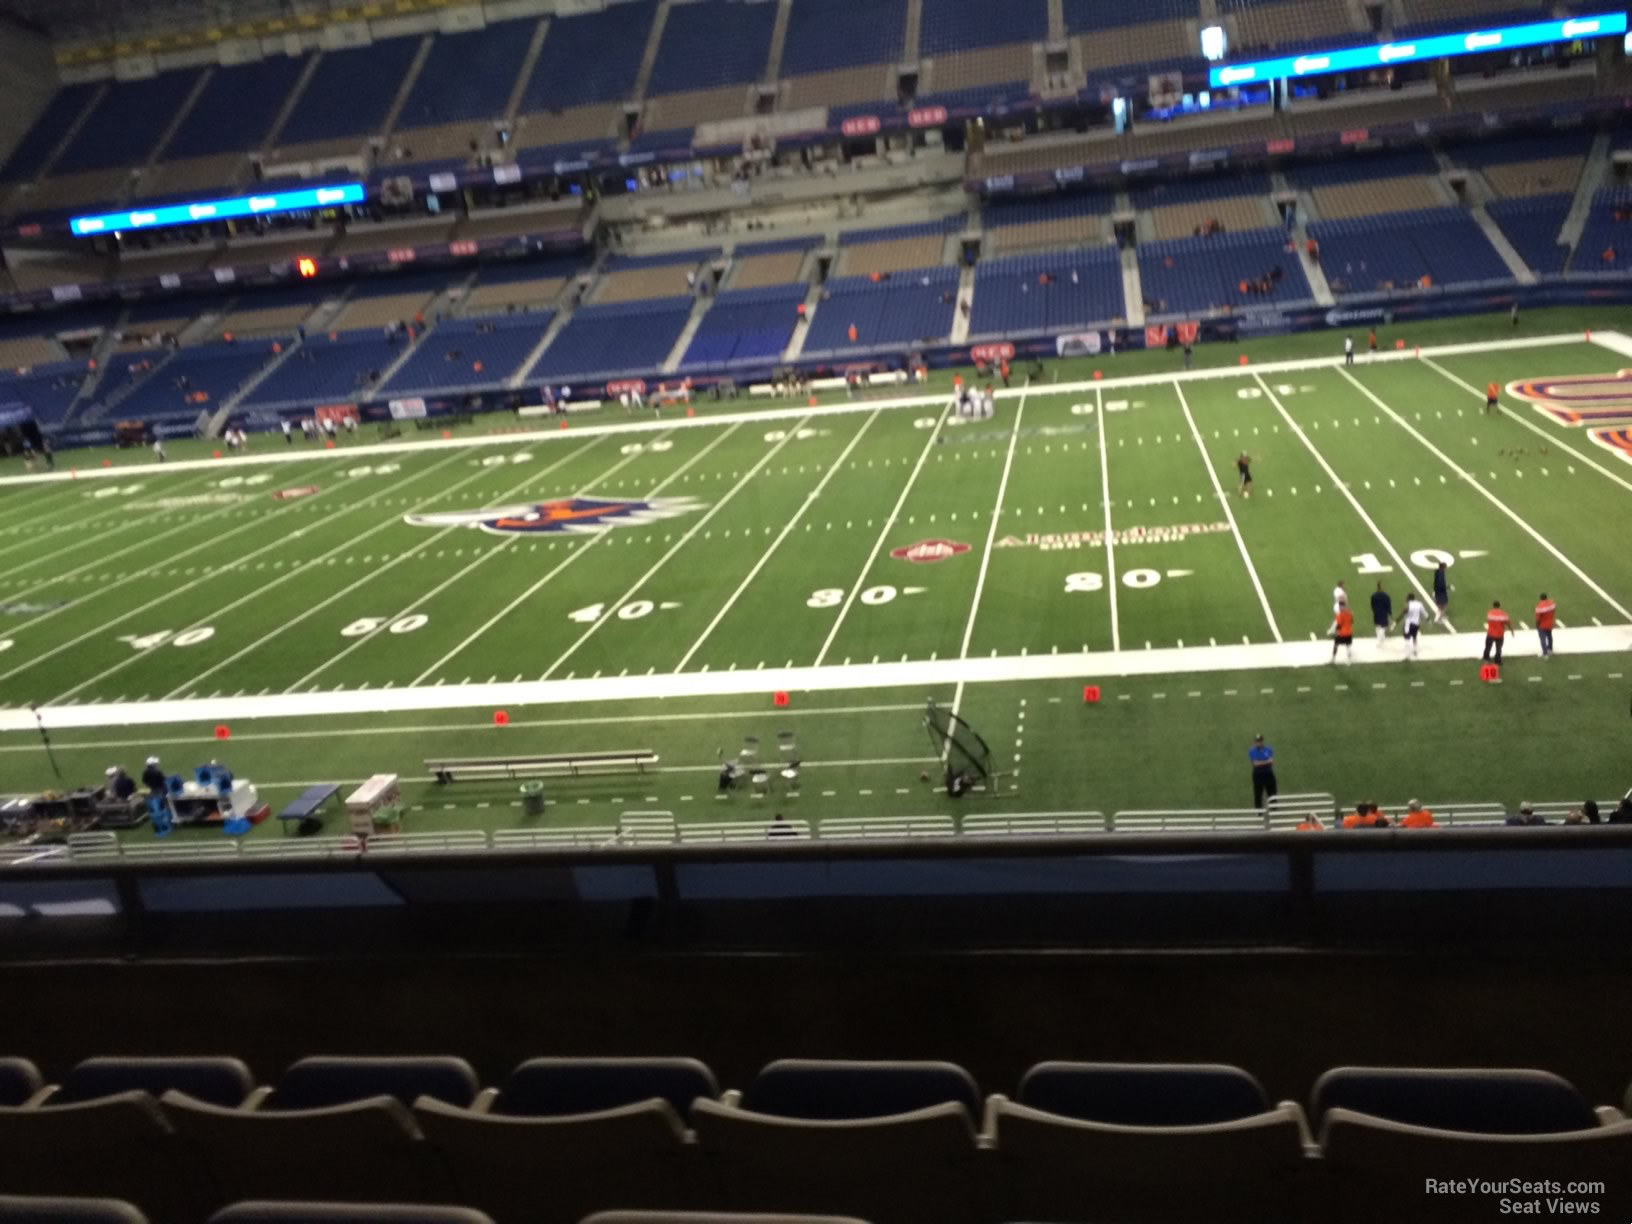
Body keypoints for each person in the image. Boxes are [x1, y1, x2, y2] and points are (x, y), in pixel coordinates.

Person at [1249, 734, 1277, 809]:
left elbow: (1271, 761)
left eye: (1259, 741)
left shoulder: (1268, 749)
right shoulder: (1252, 751)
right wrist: (1266, 762)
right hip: (1258, 775)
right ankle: (1258, 810)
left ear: (1262, 741)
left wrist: (1261, 762)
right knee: (1258, 793)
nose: (1258, 743)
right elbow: (1255, 764)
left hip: (1268, 774)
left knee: (1272, 792)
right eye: (1257, 741)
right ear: (1255, 742)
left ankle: (1273, 808)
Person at [1482, 599, 1510, 665]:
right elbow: (1508, 623)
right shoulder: (1503, 614)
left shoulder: (1490, 613)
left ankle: (1486, 659)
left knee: (1488, 647)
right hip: (1500, 634)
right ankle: (1497, 660)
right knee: (1499, 648)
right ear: (1499, 606)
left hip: (1491, 633)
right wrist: (1511, 631)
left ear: (1493, 606)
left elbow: (1489, 621)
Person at [1400, 591, 1425, 660]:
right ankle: (1415, 651)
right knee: (1414, 637)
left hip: (1409, 624)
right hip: (1416, 624)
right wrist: (1428, 619)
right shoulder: (1419, 604)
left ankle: (1407, 655)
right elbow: (1424, 612)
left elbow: (1403, 613)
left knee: (1407, 638)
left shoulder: (1408, 605)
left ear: (1409, 598)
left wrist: (1397, 620)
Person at [1330, 599, 1354, 664]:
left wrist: (1336, 632)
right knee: (1348, 646)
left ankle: (1333, 658)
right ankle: (1349, 660)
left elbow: (1339, 625)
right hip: (1349, 632)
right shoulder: (1350, 613)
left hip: (1341, 633)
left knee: (1336, 645)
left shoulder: (1339, 614)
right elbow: (1352, 621)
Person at [1534, 592, 1555, 658]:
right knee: (1549, 637)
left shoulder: (1539, 606)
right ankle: (1550, 649)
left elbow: (1538, 618)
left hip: (1542, 625)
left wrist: (1537, 625)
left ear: (1540, 598)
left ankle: (1545, 653)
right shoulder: (1552, 603)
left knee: (1543, 639)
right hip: (1550, 623)